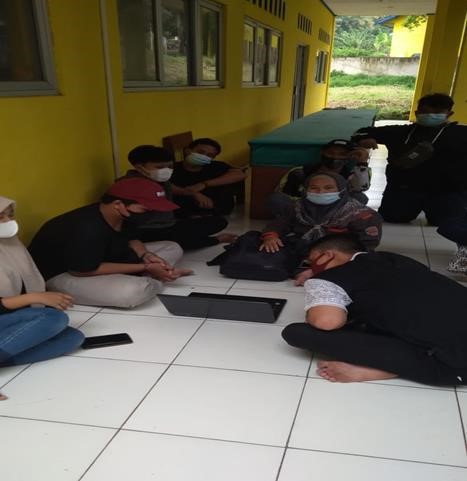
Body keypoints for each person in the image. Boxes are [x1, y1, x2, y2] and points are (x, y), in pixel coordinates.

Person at [282, 234, 467, 386]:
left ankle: (384, 370)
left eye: (312, 261)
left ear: (328, 254)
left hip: (454, 362)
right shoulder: (392, 258)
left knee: (296, 333)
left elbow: (327, 322)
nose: (313, 267)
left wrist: (313, 303)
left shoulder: (327, 279)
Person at [29, 178, 192, 309]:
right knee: (134, 292)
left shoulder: (123, 214)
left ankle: (153, 275)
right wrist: (146, 267)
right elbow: (83, 271)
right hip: (64, 274)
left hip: (102, 257)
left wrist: (146, 255)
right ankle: (155, 278)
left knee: (173, 247)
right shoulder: (87, 227)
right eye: (146, 209)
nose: (150, 214)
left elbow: (132, 239)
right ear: (118, 204)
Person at [352, 93, 467, 225]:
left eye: (437, 113)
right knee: (392, 217)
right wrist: (366, 138)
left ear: (449, 114)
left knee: (448, 222)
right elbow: (359, 132)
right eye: (425, 112)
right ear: (417, 113)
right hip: (405, 188)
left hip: (446, 190)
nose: (430, 115)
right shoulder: (401, 132)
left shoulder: (461, 134)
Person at [0, 196, 84, 373]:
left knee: (73, 337)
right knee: (54, 319)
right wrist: (34, 297)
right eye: (1, 217)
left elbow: (27, 279)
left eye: (10, 215)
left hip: (8, 318)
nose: (8, 221)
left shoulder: (10, 243)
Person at [260, 172, 381, 283]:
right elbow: (280, 223)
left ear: (341, 189)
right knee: (269, 256)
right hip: (300, 247)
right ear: (305, 190)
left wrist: (325, 263)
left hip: (338, 254)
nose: (321, 192)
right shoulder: (297, 207)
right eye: (314, 188)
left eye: (328, 188)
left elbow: (366, 245)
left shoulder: (361, 214)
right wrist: (271, 236)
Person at [119, 145, 236, 249]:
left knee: (218, 221)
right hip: (146, 230)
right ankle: (214, 240)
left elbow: (180, 192)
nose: (166, 170)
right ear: (140, 167)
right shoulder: (127, 185)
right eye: (160, 167)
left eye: (169, 166)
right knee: (179, 238)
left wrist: (195, 194)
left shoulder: (162, 181)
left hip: (169, 224)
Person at [268, 139, 371, 216]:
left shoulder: (352, 174)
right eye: (331, 153)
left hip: (334, 213)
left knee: (360, 197)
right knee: (276, 199)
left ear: (350, 157)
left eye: (342, 154)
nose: (335, 157)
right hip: (303, 211)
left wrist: (362, 162)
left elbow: (361, 187)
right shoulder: (299, 172)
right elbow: (285, 194)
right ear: (322, 153)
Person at [171, 138, 246, 217]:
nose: (204, 156)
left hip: (215, 212)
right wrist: (192, 193)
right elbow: (165, 186)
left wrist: (204, 184)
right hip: (184, 211)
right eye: (200, 152)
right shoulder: (172, 168)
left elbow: (240, 174)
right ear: (188, 151)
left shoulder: (216, 166)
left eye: (210, 155)